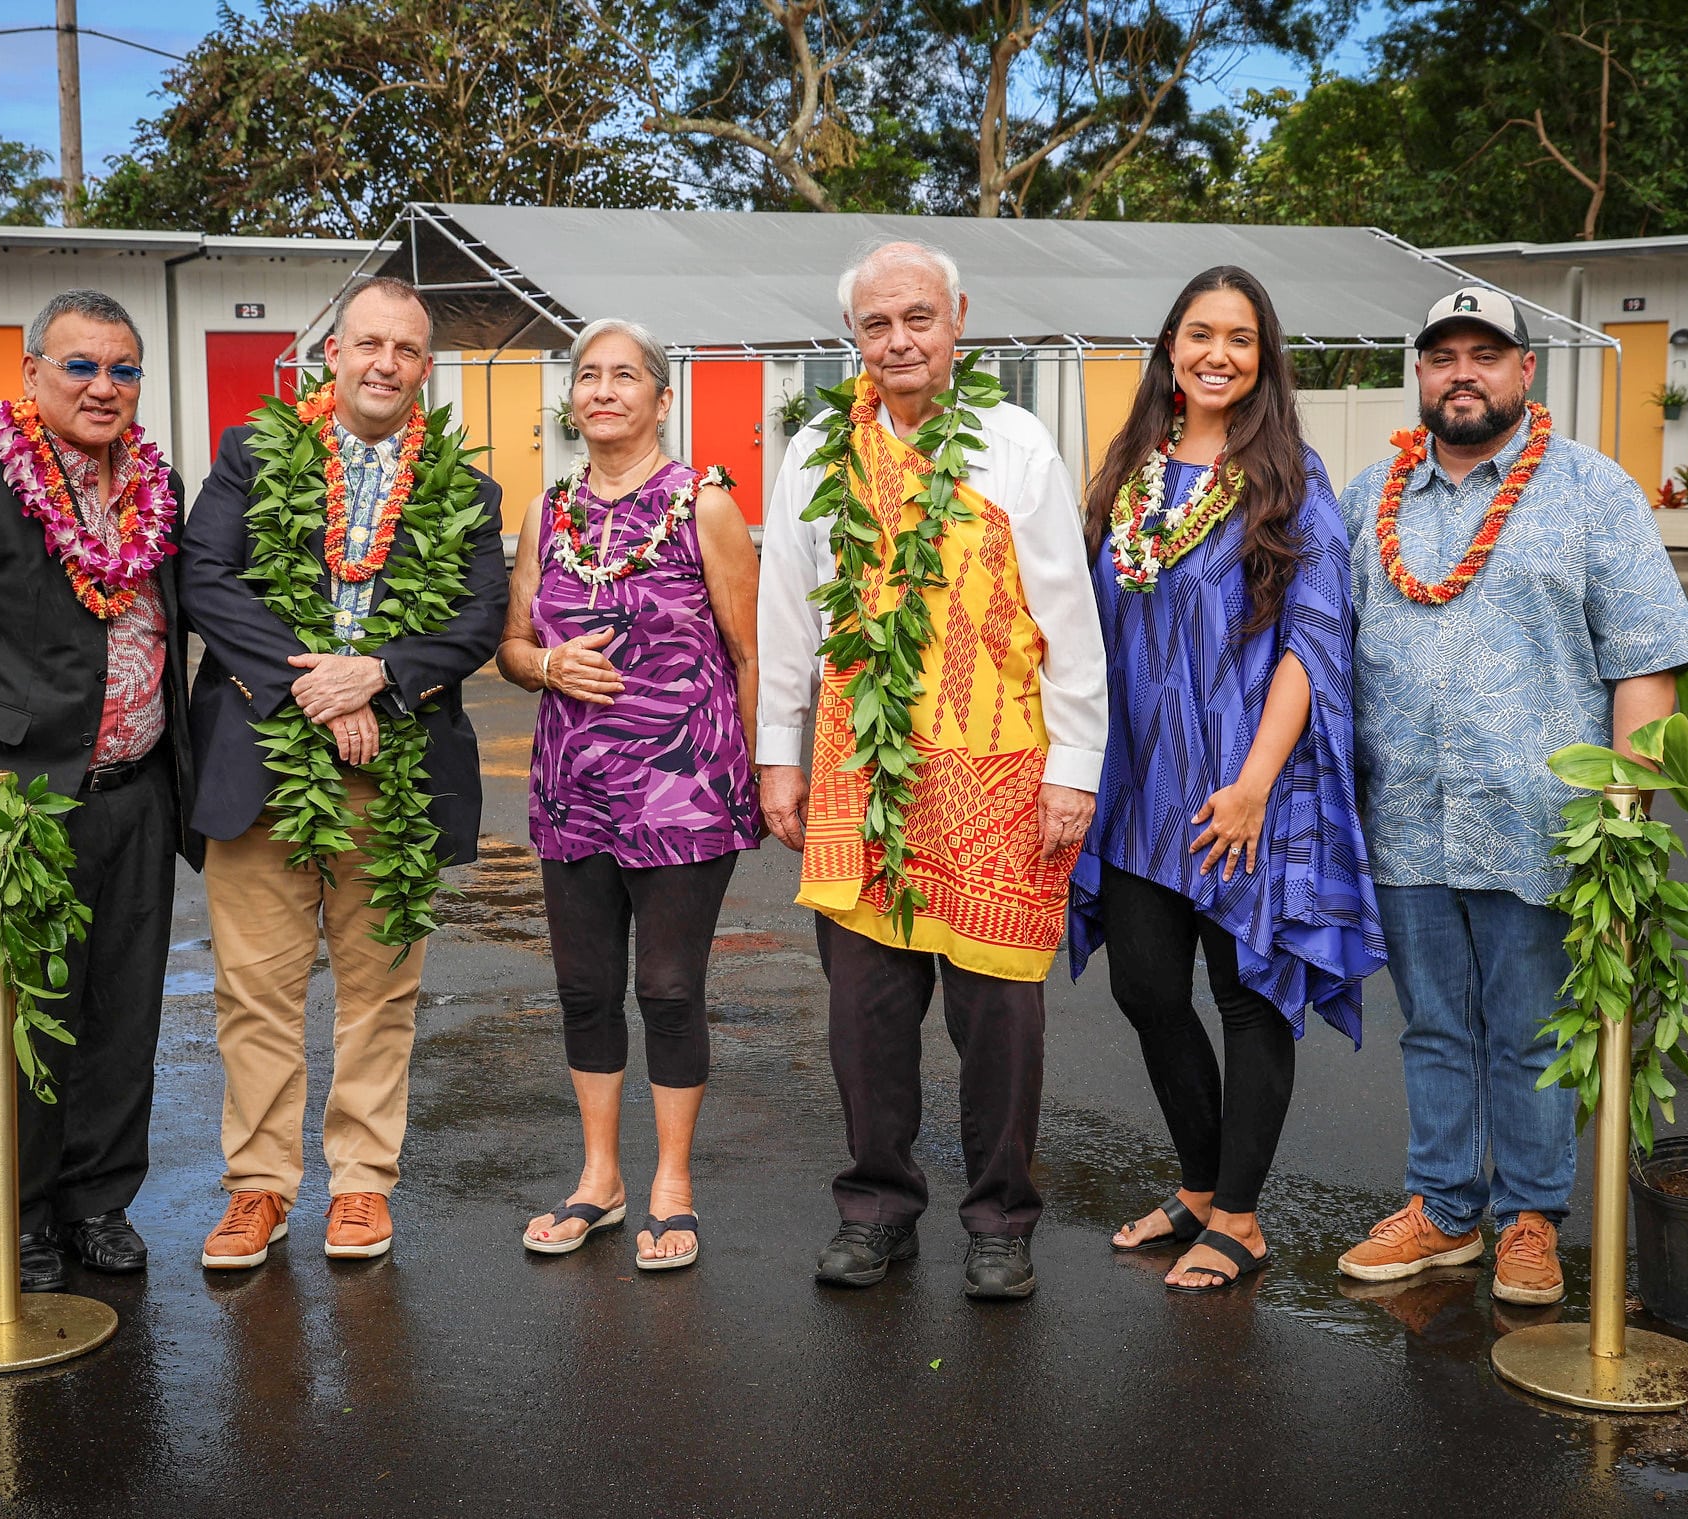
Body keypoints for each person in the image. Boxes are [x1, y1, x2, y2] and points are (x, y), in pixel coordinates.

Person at [1334, 287, 1688, 1305]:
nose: (1462, 373)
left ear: (1524, 371)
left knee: (1534, 1030)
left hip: (1545, 829)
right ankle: (1445, 1209)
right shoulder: (1371, 497)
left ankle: (1531, 1218)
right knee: (1435, 1026)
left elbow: (1644, 662)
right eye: (1442, 355)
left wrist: (1627, 813)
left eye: (1485, 355)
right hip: (1406, 817)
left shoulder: (1591, 492)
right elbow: (1321, 650)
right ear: (1419, 373)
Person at [757, 241, 1108, 1301]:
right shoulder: (820, 449)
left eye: (918, 317)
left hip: (1003, 772)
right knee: (864, 1012)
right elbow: (787, 613)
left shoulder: (1013, 443)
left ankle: (1001, 1219)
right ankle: (875, 1209)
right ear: (851, 339)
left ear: (957, 318)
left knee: (1000, 1016)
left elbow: (1069, 620)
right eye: (877, 323)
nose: (899, 340)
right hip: (863, 774)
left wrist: (1076, 767)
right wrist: (780, 756)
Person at [181, 275, 509, 1270]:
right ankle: (260, 1186)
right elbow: (208, 580)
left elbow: (475, 618)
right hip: (261, 757)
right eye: (368, 343)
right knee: (257, 991)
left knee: (380, 992)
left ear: (424, 368)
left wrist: (379, 676)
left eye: (405, 350)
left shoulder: (469, 491)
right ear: (330, 353)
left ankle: (362, 1183)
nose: (384, 364)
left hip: (398, 769)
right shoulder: (251, 455)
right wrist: (318, 688)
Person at [1068, 266, 1386, 1293]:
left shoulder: (1290, 473)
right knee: (1145, 986)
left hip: (1247, 785)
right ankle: (1201, 1187)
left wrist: (1253, 780)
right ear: (1168, 348)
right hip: (1139, 788)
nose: (1217, 353)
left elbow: (1311, 640)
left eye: (1240, 338)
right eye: (1199, 333)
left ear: (1264, 358)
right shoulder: (1127, 474)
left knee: (1248, 992)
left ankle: (1238, 1215)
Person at [0, 288, 197, 1292]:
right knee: (23, 1013)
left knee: (122, 1008)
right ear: (31, 373)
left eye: (124, 368)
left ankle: (99, 1202)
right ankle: (16, 1225)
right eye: (82, 366)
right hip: (16, 795)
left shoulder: (154, 481)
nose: (104, 387)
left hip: (138, 785)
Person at [499, 318, 761, 1272]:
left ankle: (672, 1184)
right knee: (582, 988)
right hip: (574, 787)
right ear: (572, 399)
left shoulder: (705, 505)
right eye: (588, 375)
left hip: (684, 788)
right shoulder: (547, 510)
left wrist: (764, 771)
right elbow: (514, 645)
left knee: (668, 986)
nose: (603, 389)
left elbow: (748, 651)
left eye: (624, 376)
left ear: (659, 397)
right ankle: (599, 1177)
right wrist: (546, 663)